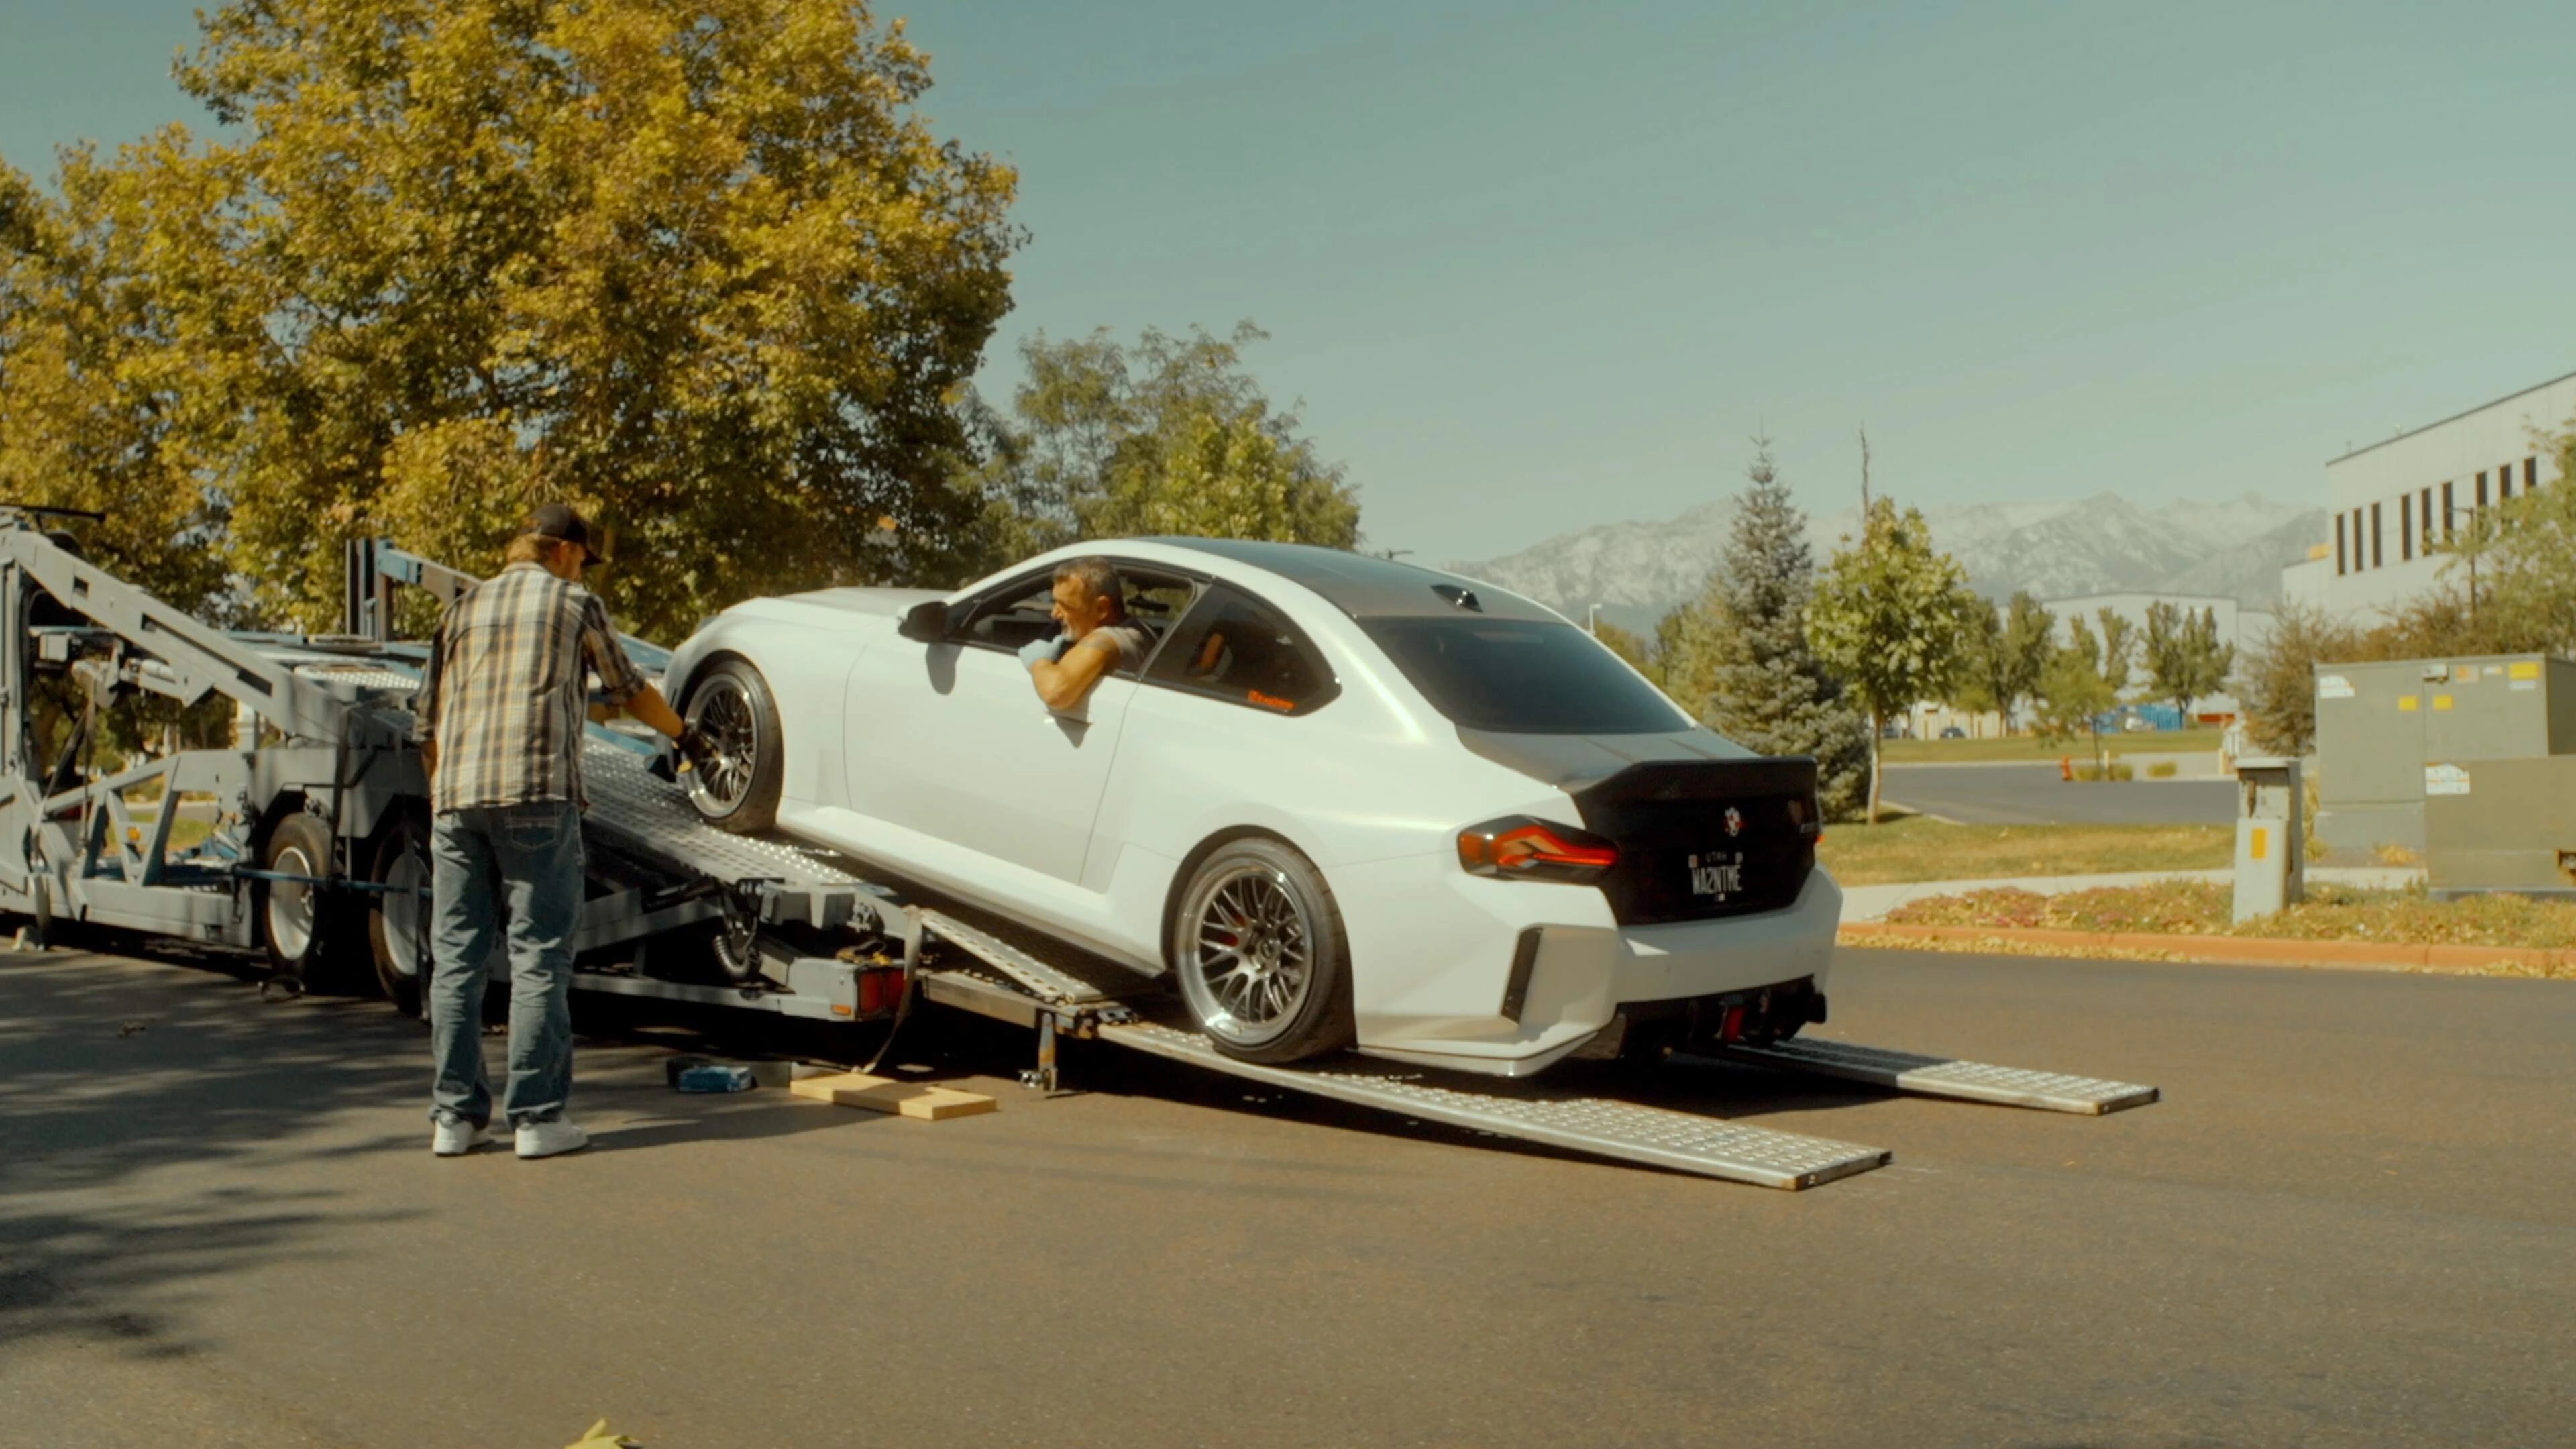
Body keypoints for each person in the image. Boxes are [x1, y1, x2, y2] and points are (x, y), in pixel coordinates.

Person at [412, 503, 712, 1159]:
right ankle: (538, 1119)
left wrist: (442, 796)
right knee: (537, 958)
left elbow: (426, 721)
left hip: (457, 803)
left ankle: (454, 1120)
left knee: (457, 961)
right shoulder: (573, 604)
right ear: (566, 551)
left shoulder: (460, 610)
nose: (585, 568)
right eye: (583, 557)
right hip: (535, 795)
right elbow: (630, 690)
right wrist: (686, 735)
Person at [1018, 556, 1150, 712]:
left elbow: (1056, 693)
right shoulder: (1136, 629)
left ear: (1101, 609)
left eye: (1066, 606)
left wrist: (1039, 660)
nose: (1054, 614)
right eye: (1055, 602)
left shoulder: (1111, 639)